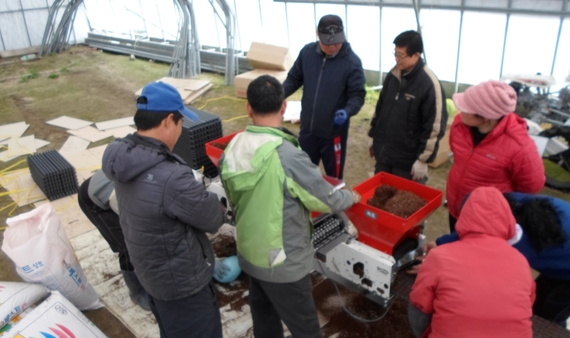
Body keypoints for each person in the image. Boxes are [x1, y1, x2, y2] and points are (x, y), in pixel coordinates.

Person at [220, 75, 361, 338]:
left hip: (251, 252)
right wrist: (351, 197)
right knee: (306, 328)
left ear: (248, 107)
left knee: (264, 317)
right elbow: (325, 198)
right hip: (283, 263)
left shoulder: (234, 147)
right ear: (284, 106)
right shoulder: (287, 156)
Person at [102, 81, 227, 338]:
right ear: (169, 120)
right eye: (181, 122)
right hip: (183, 286)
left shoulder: (125, 157)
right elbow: (213, 218)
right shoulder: (170, 176)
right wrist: (212, 200)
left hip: (153, 277)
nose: (181, 129)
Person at [434, 192, 570, 327]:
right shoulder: (511, 203)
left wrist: (440, 266)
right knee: (535, 305)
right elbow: (476, 228)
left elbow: (484, 266)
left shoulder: (521, 241)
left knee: (548, 317)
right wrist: (440, 245)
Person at [408, 186, 535, 338]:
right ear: (507, 219)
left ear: (465, 217)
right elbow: (528, 302)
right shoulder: (521, 262)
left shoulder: (440, 257)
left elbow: (420, 304)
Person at [446, 79, 545, 232]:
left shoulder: (520, 146)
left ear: (485, 117)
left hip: (485, 219)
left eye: (466, 108)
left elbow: (531, 186)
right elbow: (458, 154)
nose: (460, 111)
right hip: (456, 206)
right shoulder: (460, 125)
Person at [282, 14, 366, 179]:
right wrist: (279, 95)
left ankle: (335, 202)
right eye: (328, 43)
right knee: (303, 173)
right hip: (308, 130)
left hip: (334, 134)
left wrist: (347, 111)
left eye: (337, 42)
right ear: (318, 35)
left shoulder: (352, 62)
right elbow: (294, 79)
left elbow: (357, 95)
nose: (333, 47)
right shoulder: (307, 53)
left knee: (334, 177)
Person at [368, 30, 448, 184]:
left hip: (407, 162)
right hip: (385, 154)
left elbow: (434, 127)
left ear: (416, 55)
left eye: (401, 55)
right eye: (395, 54)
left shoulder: (429, 85)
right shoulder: (393, 76)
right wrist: (374, 135)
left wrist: (423, 160)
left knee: (402, 203)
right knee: (381, 196)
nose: (397, 59)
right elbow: (381, 108)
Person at [77, 170, 150, 311]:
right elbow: (133, 220)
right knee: (129, 246)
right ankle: (138, 293)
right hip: (95, 199)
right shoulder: (127, 198)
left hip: (115, 187)